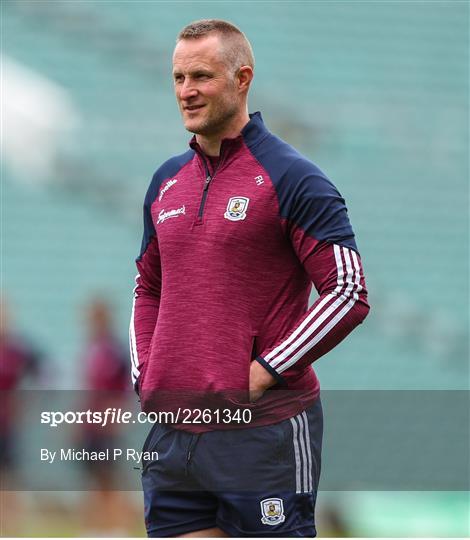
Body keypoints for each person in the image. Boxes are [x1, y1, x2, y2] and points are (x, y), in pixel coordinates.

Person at [130, 19, 370, 538]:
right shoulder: (165, 182)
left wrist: (264, 370)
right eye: (177, 78)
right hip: (175, 435)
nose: (186, 92)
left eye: (201, 76)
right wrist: (146, 371)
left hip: (263, 436)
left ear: (242, 78)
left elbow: (348, 292)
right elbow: (148, 286)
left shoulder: (292, 177)